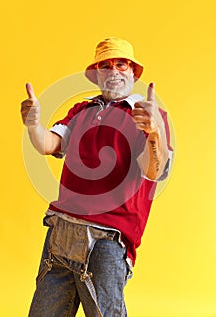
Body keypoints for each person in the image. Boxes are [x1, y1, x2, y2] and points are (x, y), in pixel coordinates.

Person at [21, 37, 172, 317]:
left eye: (121, 64)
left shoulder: (149, 116)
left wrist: (153, 133)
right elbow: (48, 144)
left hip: (106, 239)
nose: (114, 70)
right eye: (106, 64)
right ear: (97, 73)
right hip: (61, 233)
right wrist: (33, 126)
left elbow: (154, 170)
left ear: (133, 72)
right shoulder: (81, 110)